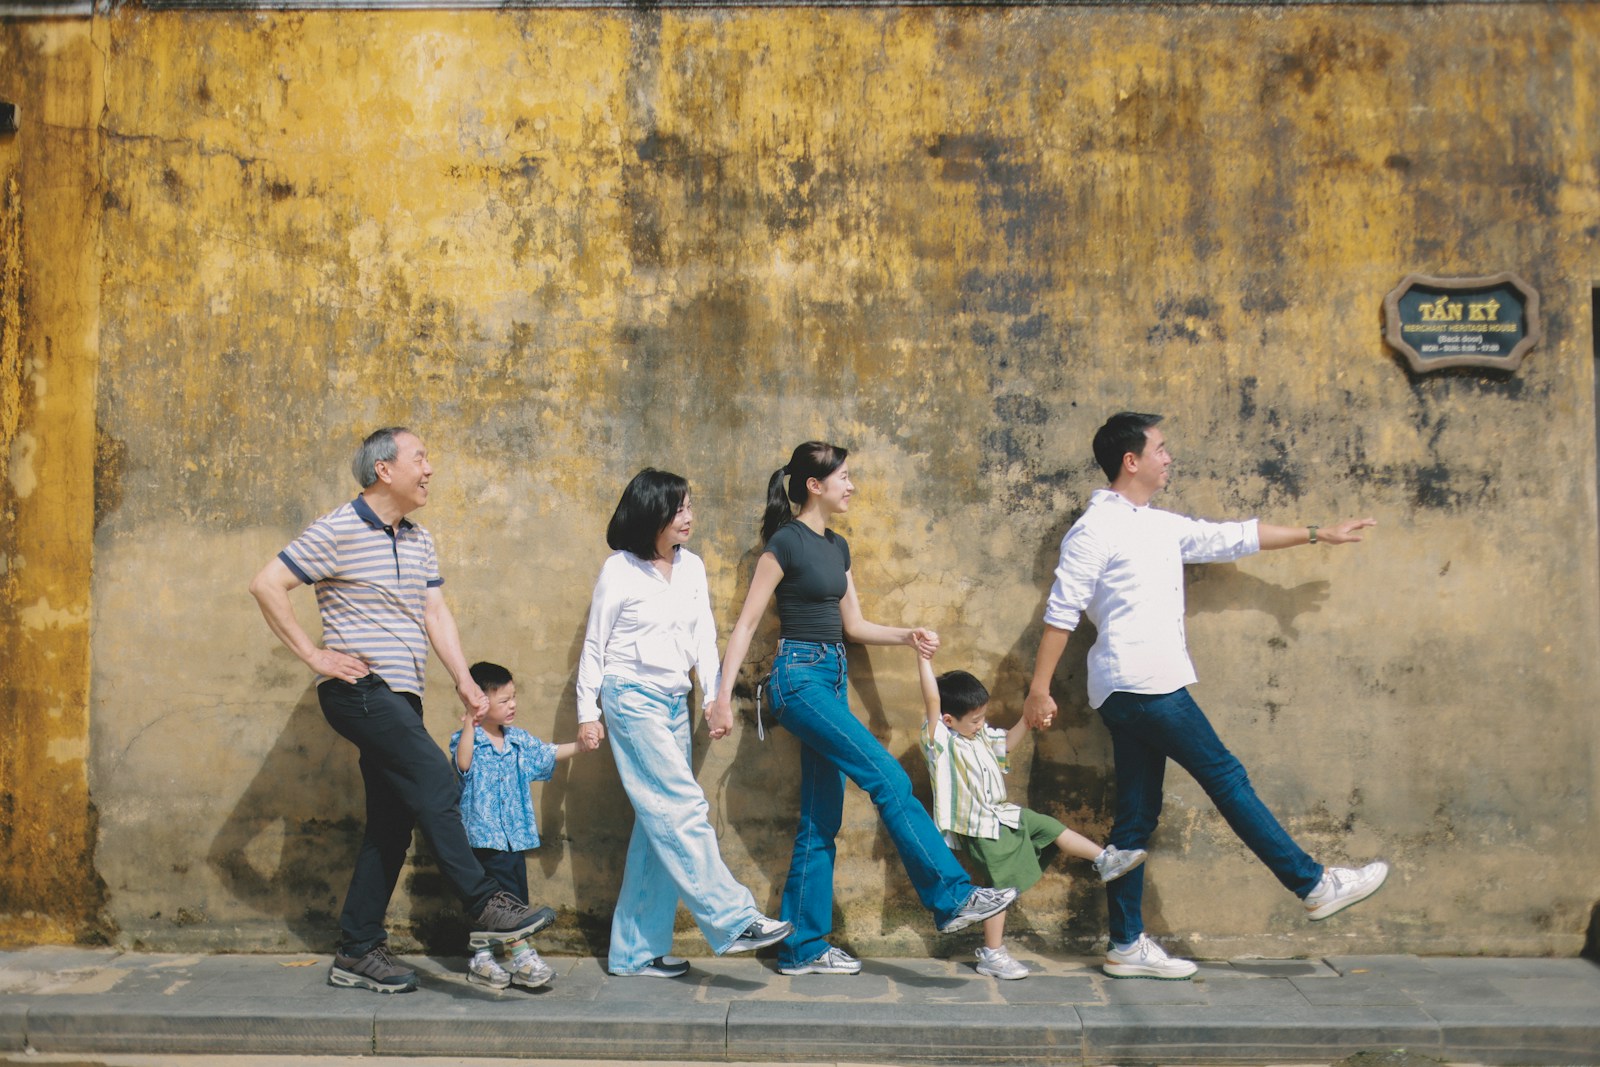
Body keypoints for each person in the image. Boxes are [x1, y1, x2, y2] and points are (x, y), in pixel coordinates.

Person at [1022, 411, 1390, 981]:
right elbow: (1061, 611)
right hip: (1144, 684)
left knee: (1135, 822)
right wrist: (1039, 690)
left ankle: (1124, 944)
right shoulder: (1094, 530)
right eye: (1162, 449)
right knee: (1226, 777)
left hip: (1133, 688)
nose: (1169, 458)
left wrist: (1318, 533)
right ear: (1131, 460)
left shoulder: (1156, 524)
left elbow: (1233, 536)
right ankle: (1313, 883)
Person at [248, 427, 554, 994]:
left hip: (400, 700)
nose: (430, 468)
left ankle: (359, 950)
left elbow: (434, 612)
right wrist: (314, 653)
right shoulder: (338, 527)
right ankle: (486, 903)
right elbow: (267, 584)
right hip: (361, 693)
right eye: (421, 458)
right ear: (384, 469)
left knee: (390, 827)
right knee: (439, 780)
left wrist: (465, 680)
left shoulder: (418, 539)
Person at [709, 441, 1016, 977]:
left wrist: (907, 635)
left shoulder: (838, 547)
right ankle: (951, 897)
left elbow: (854, 626)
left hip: (831, 677)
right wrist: (720, 698)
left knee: (819, 818)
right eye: (844, 477)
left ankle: (801, 949)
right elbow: (747, 625)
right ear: (814, 485)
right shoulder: (784, 544)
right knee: (888, 779)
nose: (851, 486)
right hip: (797, 680)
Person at [576, 469, 792, 978]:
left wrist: (715, 700)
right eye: (678, 510)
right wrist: (589, 712)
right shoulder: (620, 570)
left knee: (658, 829)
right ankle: (733, 918)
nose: (689, 517)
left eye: (690, 507)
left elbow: (703, 639)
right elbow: (595, 643)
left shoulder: (691, 567)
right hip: (629, 698)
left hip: (675, 702)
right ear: (652, 513)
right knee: (682, 806)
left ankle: (632, 954)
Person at [916, 651, 1146, 980]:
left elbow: (1005, 744)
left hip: (1004, 814)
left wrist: (1027, 719)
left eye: (983, 716)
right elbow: (931, 698)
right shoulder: (940, 742)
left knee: (1049, 826)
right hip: (980, 827)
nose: (981, 723)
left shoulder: (977, 734)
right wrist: (924, 658)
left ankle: (1104, 860)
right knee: (1001, 887)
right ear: (949, 720)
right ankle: (992, 954)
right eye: (976, 719)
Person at [450, 661, 585, 990]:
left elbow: (547, 754)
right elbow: (462, 764)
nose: (513, 705)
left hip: (514, 838)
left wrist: (582, 746)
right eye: (504, 700)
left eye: (514, 697)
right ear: (481, 703)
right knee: (488, 902)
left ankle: (516, 956)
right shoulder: (468, 739)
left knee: (515, 901)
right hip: (481, 838)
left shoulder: (519, 742)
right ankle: (488, 958)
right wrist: (470, 723)